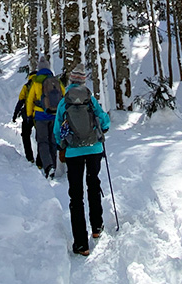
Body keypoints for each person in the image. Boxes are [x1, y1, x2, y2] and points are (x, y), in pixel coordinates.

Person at [54, 62, 111, 256]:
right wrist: (101, 130)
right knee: (93, 186)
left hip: (73, 152)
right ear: (84, 81)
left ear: (70, 81)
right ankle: (97, 227)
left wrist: (62, 145)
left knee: (76, 195)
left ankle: (81, 243)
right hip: (94, 148)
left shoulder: (65, 101)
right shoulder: (90, 99)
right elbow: (104, 120)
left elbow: (56, 131)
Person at [25, 56, 63, 178]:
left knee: (42, 142)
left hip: (40, 116)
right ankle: (54, 166)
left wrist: (29, 116)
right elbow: (64, 96)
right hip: (54, 116)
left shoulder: (36, 81)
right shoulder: (55, 81)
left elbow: (30, 100)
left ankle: (48, 166)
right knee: (53, 141)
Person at [12, 68, 36, 164]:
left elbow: (21, 101)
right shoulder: (42, 86)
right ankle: (41, 159)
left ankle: (29, 157)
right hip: (40, 114)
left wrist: (15, 115)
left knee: (25, 135)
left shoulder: (27, 86)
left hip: (27, 115)